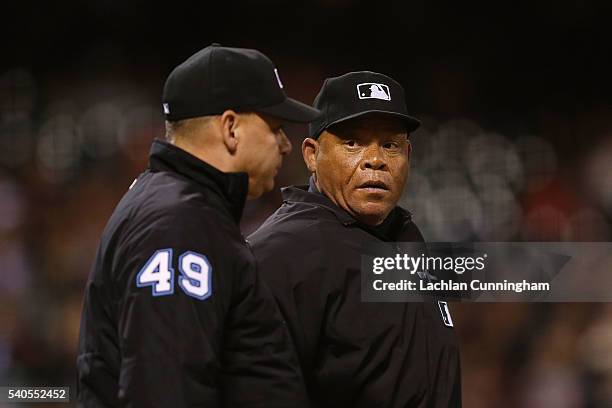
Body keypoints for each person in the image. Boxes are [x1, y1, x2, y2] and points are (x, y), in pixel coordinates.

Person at [76, 44, 320, 407]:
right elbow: (166, 388)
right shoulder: (178, 223)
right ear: (231, 128)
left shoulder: (185, 206)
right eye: (275, 127)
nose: (285, 145)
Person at [248, 71, 462, 407]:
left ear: (408, 154)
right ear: (311, 154)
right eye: (353, 142)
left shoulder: (405, 237)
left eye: (390, 145)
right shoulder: (280, 254)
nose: (375, 160)